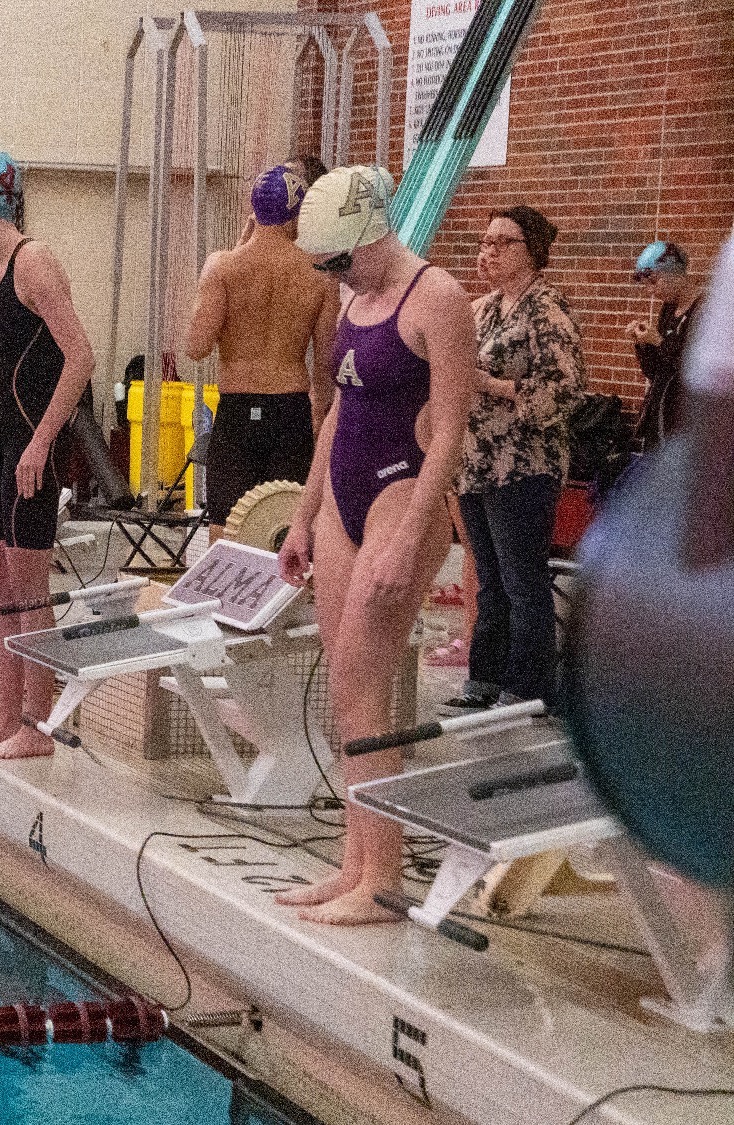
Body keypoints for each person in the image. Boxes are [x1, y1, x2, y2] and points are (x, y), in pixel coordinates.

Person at [274, 166, 479, 925]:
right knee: (345, 686)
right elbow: (336, 412)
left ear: (369, 232)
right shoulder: (351, 292)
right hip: (345, 495)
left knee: (364, 683)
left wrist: (417, 536)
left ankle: (385, 881)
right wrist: (304, 513)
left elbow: (452, 430)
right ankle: (355, 863)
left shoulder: (440, 299)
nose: (331, 276)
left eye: (334, 260)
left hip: (404, 496)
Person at [0, 154, 96, 760]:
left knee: (31, 589)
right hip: (3, 434)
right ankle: (5, 713)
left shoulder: (34, 263)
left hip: (34, 441)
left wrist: (42, 440)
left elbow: (79, 357)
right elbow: (0, 366)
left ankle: (38, 727)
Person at [441, 206, 584, 713]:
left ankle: (528, 687)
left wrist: (495, 386)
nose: (489, 251)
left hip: (524, 464)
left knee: (522, 580)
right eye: (486, 242)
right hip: (476, 462)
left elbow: (566, 390)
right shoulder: (478, 310)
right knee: (490, 577)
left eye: (503, 242)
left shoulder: (546, 310)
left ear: (533, 252)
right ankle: (484, 678)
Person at [185, 163, 340, 537]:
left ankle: (224, 596)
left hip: (238, 411)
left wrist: (236, 253)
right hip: (290, 410)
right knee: (283, 531)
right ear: (298, 214)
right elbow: (326, 365)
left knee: (226, 529)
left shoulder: (223, 266)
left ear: (253, 211)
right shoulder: (321, 274)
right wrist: (319, 421)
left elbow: (196, 346)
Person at [626, 240, 699, 450]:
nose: (650, 290)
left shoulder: (703, 310)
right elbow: (655, 371)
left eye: (654, 282)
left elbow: (690, 369)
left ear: (675, 274)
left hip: (685, 420)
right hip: (660, 418)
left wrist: (658, 341)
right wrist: (643, 345)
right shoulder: (667, 310)